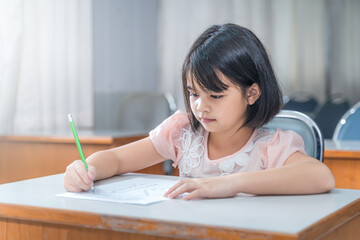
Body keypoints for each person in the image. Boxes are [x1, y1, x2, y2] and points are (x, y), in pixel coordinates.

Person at [64, 23, 335, 200]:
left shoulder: (269, 147)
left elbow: (320, 176)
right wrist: (87, 169)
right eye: (194, 93)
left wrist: (231, 184)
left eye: (215, 95)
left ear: (252, 93)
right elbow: (117, 160)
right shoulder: (183, 133)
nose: (200, 107)